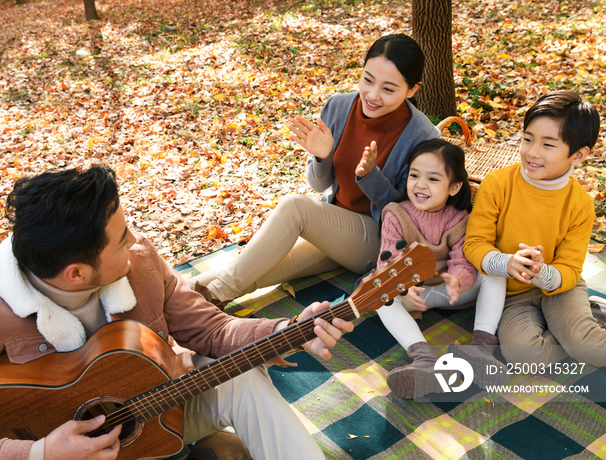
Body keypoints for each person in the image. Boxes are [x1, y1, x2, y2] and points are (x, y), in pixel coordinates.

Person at [0, 165, 354, 460]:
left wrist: (288, 329)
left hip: (149, 416)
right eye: (120, 239)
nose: (135, 241)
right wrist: (39, 452)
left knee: (242, 379)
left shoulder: (138, 262)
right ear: (77, 273)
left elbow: (211, 329)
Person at [189, 33, 440, 306]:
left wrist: (371, 178)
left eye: (389, 89)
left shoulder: (422, 137)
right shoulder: (339, 106)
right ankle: (180, 294)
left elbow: (409, 214)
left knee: (295, 208)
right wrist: (322, 157)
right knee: (260, 265)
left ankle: (216, 296)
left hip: (377, 239)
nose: (373, 95)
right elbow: (320, 186)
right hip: (334, 226)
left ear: (413, 90)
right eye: (368, 79)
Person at [464, 90, 606, 367]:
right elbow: (474, 244)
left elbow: (569, 269)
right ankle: (581, 326)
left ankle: (580, 331)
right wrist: (507, 263)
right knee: (524, 355)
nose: (532, 152)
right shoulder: (497, 184)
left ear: (578, 155)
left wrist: (541, 273)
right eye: (527, 139)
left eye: (548, 145)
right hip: (512, 294)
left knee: (591, 348)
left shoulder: (580, 205)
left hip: (560, 288)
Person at [372, 139, 507, 398]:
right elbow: (388, 262)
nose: (420, 185)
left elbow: (464, 260)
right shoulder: (396, 214)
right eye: (414, 175)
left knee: (494, 268)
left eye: (433, 179)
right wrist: (403, 286)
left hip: (451, 291)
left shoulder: (460, 218)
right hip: (414, 294)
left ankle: (481, 346)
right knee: (380, 295)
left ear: (454, 187)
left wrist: (457, 280)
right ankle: (423, 359)